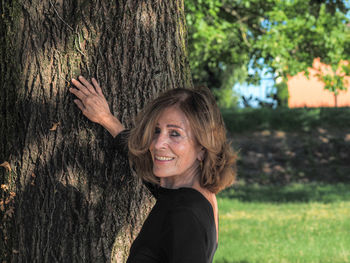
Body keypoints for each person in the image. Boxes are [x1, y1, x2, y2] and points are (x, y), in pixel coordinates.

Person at [69, 76, 237, 262]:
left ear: (203, 148)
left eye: (175, 134)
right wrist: (107, 120)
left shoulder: (184, 215)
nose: (157, 144)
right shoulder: (198, 196)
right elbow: (142, 164)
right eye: (156, 130)